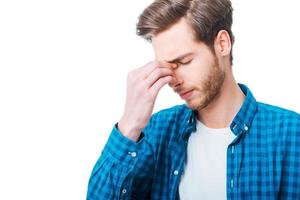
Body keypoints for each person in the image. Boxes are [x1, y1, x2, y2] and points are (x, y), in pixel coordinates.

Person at [87, 0, 300, 199]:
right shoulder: (157, 131)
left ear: (222, 44)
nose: (173, 80)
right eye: (166, 67)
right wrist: (129, 125)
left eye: (184, 61)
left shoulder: (290, 133)